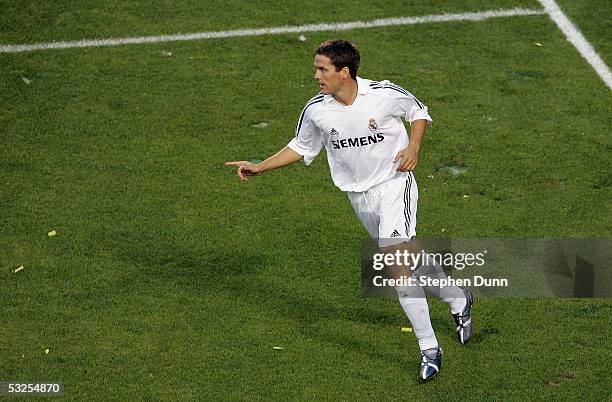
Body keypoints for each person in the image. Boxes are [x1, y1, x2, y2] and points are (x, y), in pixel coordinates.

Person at [225, 39, 473, 381]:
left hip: (394, 184)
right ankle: (459, 299)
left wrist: (413, 147)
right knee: (411, 256)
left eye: (322, 69)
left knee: (396, 263)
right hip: (359, 197)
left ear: (344, 72)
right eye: (316, 68)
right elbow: (301, 146)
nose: (316, 75)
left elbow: (418, 111)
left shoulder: (383, 94)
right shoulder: (317, 110)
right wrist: (260, 166)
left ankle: (429, 348)